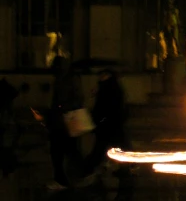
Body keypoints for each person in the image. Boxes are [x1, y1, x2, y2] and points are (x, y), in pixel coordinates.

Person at [32, 56, 86, 190]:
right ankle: (78, 175)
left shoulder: (67, 80)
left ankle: (65, 179)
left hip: (63, 120)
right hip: (60, 120)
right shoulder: (65, 79)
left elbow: (75, 99)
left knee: (61, 151)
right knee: (67, 151)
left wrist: (62, 108)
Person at [82, 69, 129, 177]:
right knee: (116, 147)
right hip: (113, 123)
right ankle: (125, 169)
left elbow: (104, 106)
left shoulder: (108, 87)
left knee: (100, 148)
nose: (100, 76)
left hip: (108, 123)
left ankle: (87, 168)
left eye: (102, 74)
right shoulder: (112, 86)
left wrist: (99, 119)